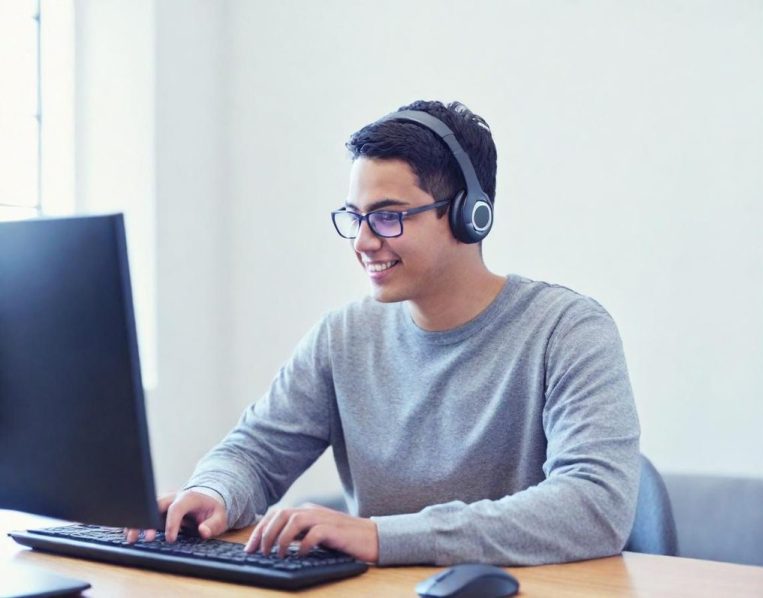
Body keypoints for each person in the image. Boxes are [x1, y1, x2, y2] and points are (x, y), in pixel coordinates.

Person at [127, 100, 640, 566]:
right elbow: (253, 454)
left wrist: (381, 537)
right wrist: (212, 494)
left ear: (469, 215)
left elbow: (594, 505)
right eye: (355, 218)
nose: (364, 242)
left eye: (389, 217)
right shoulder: (344, 336)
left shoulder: (568, 331)